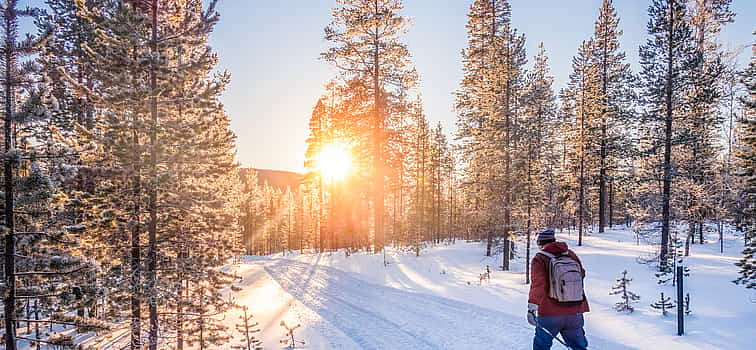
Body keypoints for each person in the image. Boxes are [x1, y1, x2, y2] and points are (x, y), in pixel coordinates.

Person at [527, 229, 590, 350]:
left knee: (541, 346)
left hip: (549, 313)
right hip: (575, 311)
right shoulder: (570, 254)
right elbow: (581, 274)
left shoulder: (539, 258)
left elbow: (538, 285)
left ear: (540, 243)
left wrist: (531, 309)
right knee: (578, 347)